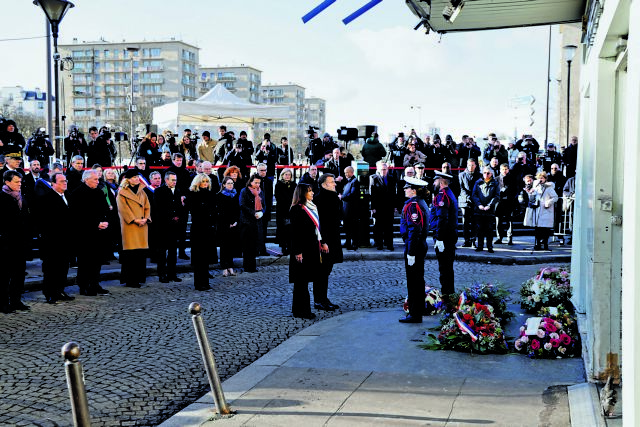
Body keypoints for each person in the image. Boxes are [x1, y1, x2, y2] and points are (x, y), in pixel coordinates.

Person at [71, 170, 110, 295]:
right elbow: (79, 215)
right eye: (95, 179)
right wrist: (96, 224)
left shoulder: (98, 192)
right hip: (85, 234)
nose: (97, 182)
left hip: (99, 232)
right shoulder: (77, 193)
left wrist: (105, 221)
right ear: (86, 179)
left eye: (98, 179)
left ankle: (95, 283)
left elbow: (105, 208)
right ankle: (84, 285)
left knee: (97, 260)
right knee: (85, 261)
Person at [289, 183, 323, 319]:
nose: (312, 193)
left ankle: (299, 309)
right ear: (303, 193)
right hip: (302, 250)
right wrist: (298, 251)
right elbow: (295, 232)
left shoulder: (311, 207)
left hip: (311, 248)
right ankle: (302, 310)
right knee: (301, 282)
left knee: (304, 281)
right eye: (309, 191)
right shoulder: (297, 209)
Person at [399, 176, 430, 323]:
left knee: (414, 281)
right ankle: (418, 309)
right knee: (418, 280)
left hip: (415, 247)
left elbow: (414, 230)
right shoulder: (419, 203)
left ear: (413, 190)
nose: (405, 189)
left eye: (407, 187)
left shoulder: (414, 205)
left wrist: (411, 252)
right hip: (419, 245)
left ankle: (415, 313)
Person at [40, 172, 74, 304]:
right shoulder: (47, 198)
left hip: (66, 239)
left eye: (65, 181)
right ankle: (50, 293)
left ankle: (60, 290)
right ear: (53, 184)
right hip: (52, 240)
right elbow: (45, 221)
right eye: (61, 181)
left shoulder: (68, 196)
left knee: (63, 266)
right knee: (51, 268)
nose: (65, 183)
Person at [0, 170, 30, 313]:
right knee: (5, 275)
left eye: (20, 182)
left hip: (21, 242)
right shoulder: (1, 198)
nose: (20, 184)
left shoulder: (21, 198)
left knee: (19, 273)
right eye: (16, 182)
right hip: (6, 243)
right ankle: (3, 303)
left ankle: (16, 301)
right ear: (7, 182)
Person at [312, 173, 343, 311]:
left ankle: (323, 298)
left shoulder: (333, 197)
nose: (335, 184)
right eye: (332, 182)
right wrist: (323, 241)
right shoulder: (319, 199)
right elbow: (319, 224)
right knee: (321, 271)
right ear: (324, 184)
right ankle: (319, 299)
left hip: (333, 238)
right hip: (324, 240)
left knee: (326, 270)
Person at [116, 169, 151, 288]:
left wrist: (146, 218)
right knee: (131, 255)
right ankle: (130, 279)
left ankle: (139, 277)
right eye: (135, 177)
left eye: (138, 177)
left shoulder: (142, 191)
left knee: (140, 254)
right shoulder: (122, 192)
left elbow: (147, 206)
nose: (137, 179)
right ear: (129, 179)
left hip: (142, 225)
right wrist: (134, 219)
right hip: (130, 226)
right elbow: (123, 209)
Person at [430, 171, 459, 297]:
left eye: (435, 181)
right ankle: (449, 292)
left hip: (445, 236)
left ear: (441, 181)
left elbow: (442, 218)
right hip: (450, 235)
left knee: (444, 268)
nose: (434, 183)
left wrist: (439, 238)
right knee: (447, 267)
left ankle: (447, 294)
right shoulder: (449, 193)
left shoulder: (442, 195)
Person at [187, 173, 216, 290]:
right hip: (198, 229)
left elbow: (213, 209)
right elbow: (194, 211)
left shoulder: (210, 194)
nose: (205, 184)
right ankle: (199, 283)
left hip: (208, 228)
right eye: (203, 181)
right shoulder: (193, 195)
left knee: (206, 257)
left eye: (207, 181)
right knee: (199, 257)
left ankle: (206, 281)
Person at [154, 171, 184, 283]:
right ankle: (162, 274)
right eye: (172, 180)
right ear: (166, 180)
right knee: (162, 252)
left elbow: (179, 206)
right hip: (163, 226)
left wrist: (178, 217)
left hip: (174, 227)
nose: (174, 182)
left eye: (175, 180)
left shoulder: (177, 191)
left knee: (172, 252)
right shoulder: (159, 191)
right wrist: (171, 216)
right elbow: (159, 208)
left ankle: (172, 273)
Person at [524, 171, 559, 251]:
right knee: (538, 229)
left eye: (542, 178)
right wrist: (530, 193)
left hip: (546, 210)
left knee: (545, 229)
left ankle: (545, 244)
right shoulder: (536, 187)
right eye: (539, 178)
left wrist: (548, 202)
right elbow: (532, 198)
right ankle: (537, 244)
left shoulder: (549, 188)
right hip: (538, 210)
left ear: (545, 179)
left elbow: (555, 197)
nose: (540, 180)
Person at [239, 173, 265, 273]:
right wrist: (253, 213)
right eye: (256, 182)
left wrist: (262, 212)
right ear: (251, 182)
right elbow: (242, 205)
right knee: (247, 245)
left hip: (257, 221)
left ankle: (253, 266)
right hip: (247, 221)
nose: (257, 185)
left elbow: (264, 204)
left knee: (254, 245)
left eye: (259, 183)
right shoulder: (244, 191)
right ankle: (247, 266)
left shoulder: (260, 192)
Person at [471, 166, 499, 253]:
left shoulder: (495, 183)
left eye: (488, 173)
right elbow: (474, 195)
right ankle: (480, 245)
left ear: (491, 174)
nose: (486, 175)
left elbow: (497, 196)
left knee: (489, 229)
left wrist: (490, 205)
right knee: (480, 228)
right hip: (479, 209)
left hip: (489, 210)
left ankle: (489, 246)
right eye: (484, 173)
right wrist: (479, 204)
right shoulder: (478, 182)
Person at [369, 161, 396, 250]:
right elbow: (372, 194)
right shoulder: (374, 178)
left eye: (385, 169)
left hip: (389, 206)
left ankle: (389, 244)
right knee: (379, 226)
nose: (383, 171)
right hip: (379, 206)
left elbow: (393, 193)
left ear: (387, 169)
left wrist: (395, 206)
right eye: (381, 169)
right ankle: (379, 244)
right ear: (378, 169)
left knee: (389, 226)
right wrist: (373, 207)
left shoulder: (391, 178)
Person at [217, 176, 240, 277]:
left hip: (233, 224)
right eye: (228, 183)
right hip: (223, 224)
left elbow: (237, 210)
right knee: (224, 247)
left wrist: (235, 221)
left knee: (231, 246)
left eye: (232, 183)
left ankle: (230, 266)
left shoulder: (235, 195)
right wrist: (227, 223)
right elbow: (220, 212)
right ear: (224, 185)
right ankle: (224, 267)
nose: (230, 185)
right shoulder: (220, 196)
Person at [274, 168, 296, 255]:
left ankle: (290, 247)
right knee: (283, 229)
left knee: (291, 229)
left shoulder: (294, 185)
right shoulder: (279, 185)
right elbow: (278, 197)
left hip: (292, 209)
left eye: (289, 175)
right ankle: (283, 247)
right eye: (286, 174)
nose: (287, 176)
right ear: (282, 175)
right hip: (282, 210)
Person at [494, 164, 516, 245]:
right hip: (499, 202)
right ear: (500, 170)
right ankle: (499, 237)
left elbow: (515, 190)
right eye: (503, 169)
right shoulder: (496, 179)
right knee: (498, 221)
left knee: (509, 221)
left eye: (506, 169)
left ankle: (509, 238)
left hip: (509, 202)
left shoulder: (512, 178)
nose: (504, 171)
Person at [341, 166, 360, 250]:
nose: (346, 174)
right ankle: (348, 241)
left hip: (352, 209)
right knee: (347, 227)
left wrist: (342, 197)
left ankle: (354, 243)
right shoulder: (348, 182)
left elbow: (352, 195)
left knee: (353, 227)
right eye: (345, 173)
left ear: (352, 172)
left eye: (347, 172)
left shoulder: (355, 182)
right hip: (346, 209)